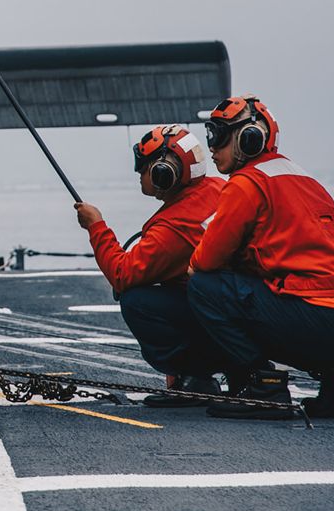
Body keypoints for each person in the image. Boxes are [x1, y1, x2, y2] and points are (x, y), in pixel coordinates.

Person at [187, 96, 334, 419]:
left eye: (218, 136)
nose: (211, 147)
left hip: (319, 319)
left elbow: (206, 261)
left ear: (248, 138)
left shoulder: (246, 183)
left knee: (204, 287)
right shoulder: (304, 178)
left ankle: (264, 387)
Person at [73, 125, 230, 405]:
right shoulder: (220, 189)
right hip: (240, 309)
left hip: (225, 319)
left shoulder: (174, 225)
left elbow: (122, 274)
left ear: (163, 172)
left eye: (143, 167)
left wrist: (95, 226)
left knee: (137, 301)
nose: (139, 173)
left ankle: (195, 377)